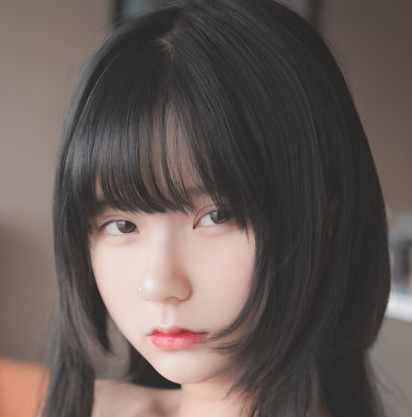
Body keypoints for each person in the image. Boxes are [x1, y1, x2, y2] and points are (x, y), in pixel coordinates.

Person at [40, 0, 390, 416]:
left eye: (216, 216)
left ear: (326, 226)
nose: (159, 284)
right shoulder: (93, 408)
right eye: (122, 225)